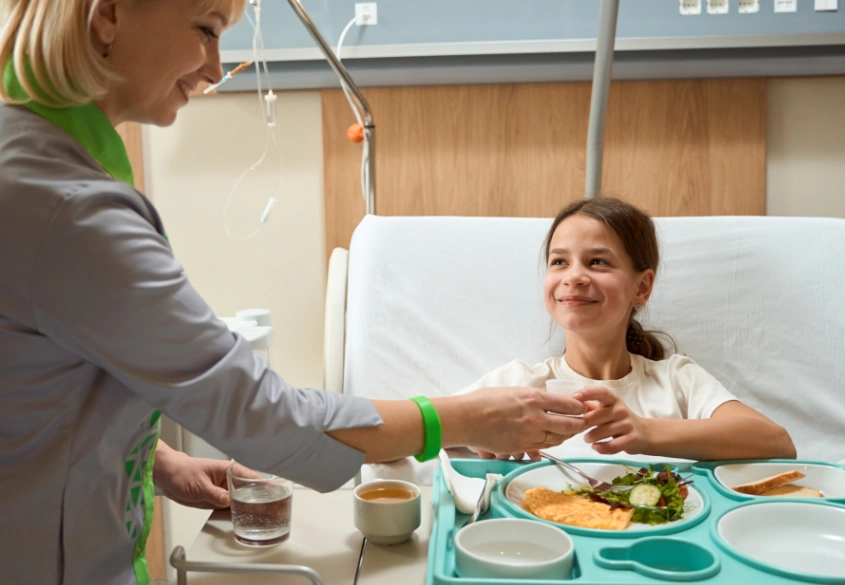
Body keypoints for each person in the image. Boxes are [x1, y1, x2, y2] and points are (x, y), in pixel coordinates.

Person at [0, 2, 587, 584]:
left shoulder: (29, 162)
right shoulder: (70, 210)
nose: (214, 68)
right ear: (108, 15)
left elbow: (34, 384)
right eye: (205, 30)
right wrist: (462, 419)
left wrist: (155, 459)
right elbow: (265, 417)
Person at [459, 197, 796, 462]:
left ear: (642, 287)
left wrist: (645, 432)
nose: (574, 276)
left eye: (598, 261)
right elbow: (426, 429)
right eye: (559, 261)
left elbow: (777, 443)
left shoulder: (677, 380)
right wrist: (477, 432)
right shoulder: (519, 385)